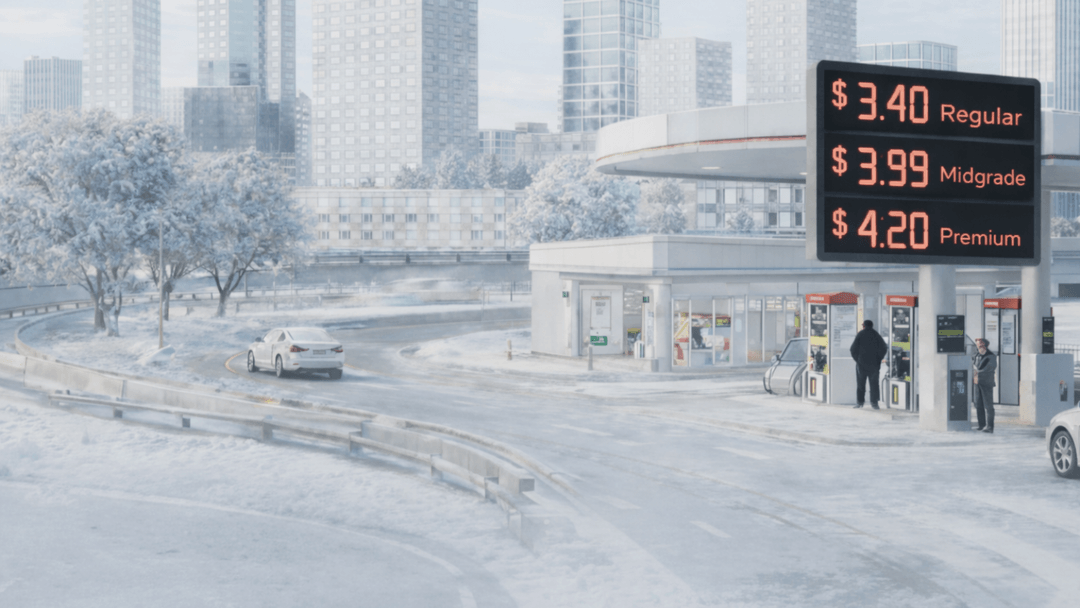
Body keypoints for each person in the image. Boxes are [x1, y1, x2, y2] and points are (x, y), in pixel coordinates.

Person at [849, 320, 888, 409]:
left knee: (860, 384)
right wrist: (879, 358)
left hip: (861, 364)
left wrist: (857, 360)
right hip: (874, 364)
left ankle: (860, 402)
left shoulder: (860, 334)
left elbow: (852, 349)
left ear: (864, 326)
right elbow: (884, 348)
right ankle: (874, 403)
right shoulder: (876, 335)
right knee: (874, 384)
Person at [972, 338, 997, 433]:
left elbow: (990, 368)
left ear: (986, 345)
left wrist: (976, 373)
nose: (979, 347)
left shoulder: (991, 356)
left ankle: (990, 427)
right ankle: (981, 425)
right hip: (977, 382)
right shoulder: (976, 355)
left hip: (986, 382)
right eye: (978, 345)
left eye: (981, 345)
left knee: (988, 405)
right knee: (978, 404)